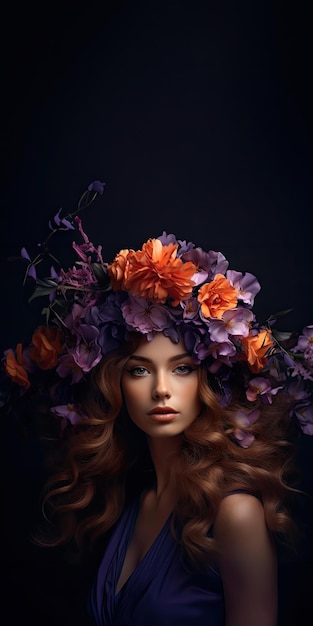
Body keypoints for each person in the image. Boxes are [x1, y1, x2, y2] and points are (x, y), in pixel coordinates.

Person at [1, 181, 313, 626]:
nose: (161, 389)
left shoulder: (234, 513)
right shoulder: (139, 500)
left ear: (208, 380)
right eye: (140, 370)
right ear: (116, 382)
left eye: (182, 368)